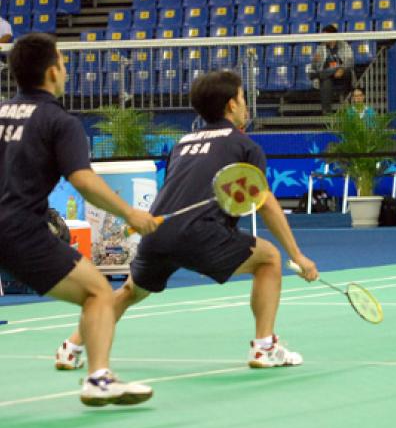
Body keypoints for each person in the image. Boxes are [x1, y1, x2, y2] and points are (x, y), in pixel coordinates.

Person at [54, 70, 320, 371]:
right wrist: (297, 255)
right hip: (199, 234)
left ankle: (72, 347)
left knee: (130, 292)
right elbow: (266, 204)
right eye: (243, 98)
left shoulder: (184, 143)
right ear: (231, 105)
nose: (246, 105)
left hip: (157, 232)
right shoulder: (244, 146)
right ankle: (264, 348)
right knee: (269, 259)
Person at [0, 33, 158, 406]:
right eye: (64, 63)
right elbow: (83, 180)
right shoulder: (59, 121)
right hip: (18, 229)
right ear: (52, 71)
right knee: (99, 292)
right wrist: (132, 213)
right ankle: (98, 378)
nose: (67, 70)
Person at [311, 24, 354, 115]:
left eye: (325, 36)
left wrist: (341, 69)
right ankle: (327, 111)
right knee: (326, 81)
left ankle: (322, 75)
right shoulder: (320, 48)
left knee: (326, 75)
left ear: (333, 35)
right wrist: (315, 61)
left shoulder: (343, 45)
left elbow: (350, 61)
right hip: (329, 76)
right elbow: (315, 67)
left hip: (343, 74)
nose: (323, 38)